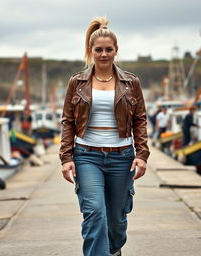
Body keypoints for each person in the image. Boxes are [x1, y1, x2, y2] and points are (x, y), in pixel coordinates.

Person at [59, 17, 150, 256]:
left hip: (122, 156)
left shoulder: (131, 83)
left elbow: (140, 120)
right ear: (91, 51)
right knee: (94, 212)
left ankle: (113, 250)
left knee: (116, 219)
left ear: (116, 51)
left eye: (108, 49)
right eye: (98, 50)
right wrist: (66, 158)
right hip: (87, 155)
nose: (103, 54)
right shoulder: (76, 82)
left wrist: (142, 155)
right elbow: (68, 121)